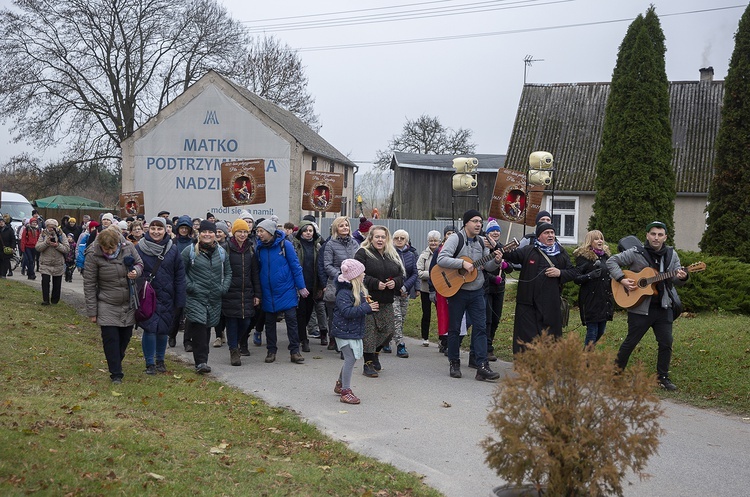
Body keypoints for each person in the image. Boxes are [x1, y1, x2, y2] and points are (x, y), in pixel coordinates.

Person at [606, 221, 688, 391]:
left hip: (663, 307)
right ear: (647, 235)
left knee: (666, 342)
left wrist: (682, 277)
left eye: (660, 234)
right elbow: (611, 261)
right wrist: (622, 279)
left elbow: (676, 280)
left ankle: (662, 377)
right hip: (640, 308)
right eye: (653, 234)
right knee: (631, 342)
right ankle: (616, 374)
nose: (656, 238)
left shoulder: (672, 255)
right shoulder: (636, 253)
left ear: (665, 237)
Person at [437, 210, 503, 380]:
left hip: (477, 291)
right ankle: (454, 362)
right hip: (457, 291)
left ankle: (482, 366)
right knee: (455, 329)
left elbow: (486, 267)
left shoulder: (482, 241)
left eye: (480, 221)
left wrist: (495, 261)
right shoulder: (455, 239)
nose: (478, 224)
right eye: (474, 221)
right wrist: (462, 263)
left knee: (481, 328)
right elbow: (441, 259)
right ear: (466, 223)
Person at [502, 222, 578, 354]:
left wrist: (560, 273)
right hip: (528, 304)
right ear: (539, 237)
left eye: (552, 232)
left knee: (550, 337)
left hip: (550, 305)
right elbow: (511, 255)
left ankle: (548, 365)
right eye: (546, 233)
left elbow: (573, 272)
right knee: (527, 338)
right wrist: (495, 246)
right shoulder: (529, 250)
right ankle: (526, 365)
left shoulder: (560, 253)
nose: (550, 235)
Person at [83, 226, 143, 384]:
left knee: (125, 338)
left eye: (112, 248)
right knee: (111, 340)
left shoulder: (128, 247)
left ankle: (116, 360)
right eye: (105, 249)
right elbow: (89, 284)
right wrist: (92, 312)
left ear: (118, 243)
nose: (109, 252)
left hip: (128, 302)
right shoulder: (93, 254)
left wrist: (136, 271)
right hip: (106, 303)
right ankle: (116, 373)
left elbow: (140, 264)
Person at [135, 217, 186, 375]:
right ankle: (150, 363)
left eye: (159, 228)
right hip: (147, 295)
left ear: (165, 230)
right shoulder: (139, 248)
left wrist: (180, 299)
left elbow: (179, 275)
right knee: (150, 329)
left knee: (163, 329)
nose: (156, 232)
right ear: (148, 230)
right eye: (153, 228)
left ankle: (161, 360)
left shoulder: (172, 249)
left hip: (167, 295)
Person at [255, 218, 309, 364]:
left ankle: (294, 351)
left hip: (286, 290)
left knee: (292, 322)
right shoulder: (259, 248)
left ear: (270, 232)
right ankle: (271, 351)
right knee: (270, 323)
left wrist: (301, 286)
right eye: (258, 231)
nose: (258, 234)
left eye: (261, 231)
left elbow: (295, 267)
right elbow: (257, 270)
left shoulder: (286, 245)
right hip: (268, 292)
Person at [354, 225, 404, 377]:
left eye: (383, 237)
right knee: (370, 332)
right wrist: (375, 283)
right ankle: (368, 363)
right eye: (377, 237)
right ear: (371, 238)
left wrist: (395, 282)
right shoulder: (363, 253)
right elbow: (357, 275)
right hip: (368, 299)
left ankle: (375, 353)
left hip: (387, 300)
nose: (380, 240)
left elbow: (401, 275)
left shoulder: (391, 254)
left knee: (388, 331)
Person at [181, 220, 231, 373]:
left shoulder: (222, 253)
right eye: (204, 232)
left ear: (215, 235)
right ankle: (201, 362)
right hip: (196, 296)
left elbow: (228, 272)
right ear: (199, 233)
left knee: (207, 326)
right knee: (199, 327)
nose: (207, 235)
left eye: (210, 232)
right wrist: (192, 287)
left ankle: (203, 360)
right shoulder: (189, 252)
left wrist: (223, 288)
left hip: (214, 296)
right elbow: (180, 273)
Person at [331, 258, 379, 404]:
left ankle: (340, 384)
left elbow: (360, 309)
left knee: (351, 358)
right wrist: (365, 308)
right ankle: (346, 391)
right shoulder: (344, 293)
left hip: (353, 330)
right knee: (350, 358)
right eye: (361, 273)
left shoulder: (358, 291)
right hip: (343, 331)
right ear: (354, 276)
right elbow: (347, 311)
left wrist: (370, 308)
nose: (364, 275)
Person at [222, 218, 261, 366]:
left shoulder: (251, 249)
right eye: (240, 232)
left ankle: (237, 342)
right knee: (232, 321)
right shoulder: (226, 248)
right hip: (230, 291)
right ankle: (234, 350)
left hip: (247, 291)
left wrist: (258, 294)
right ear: (234, 232)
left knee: (246, 321)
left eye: (245, 232)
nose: (243, 235)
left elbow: (255, 273)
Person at [322, 216, 360, 350]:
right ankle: (333, 337)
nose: (345, 227)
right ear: (336, 228)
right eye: (341, 225)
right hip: (337, 282)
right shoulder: (330, 244)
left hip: (354, 282)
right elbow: (327, 265)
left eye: (347, 225)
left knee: (351, 311)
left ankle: (349, 338)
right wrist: (340, 275)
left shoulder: (354, 243)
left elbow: (359, 261)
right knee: (334, 312)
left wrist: (355, 275)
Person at [573, 230, 614, 347]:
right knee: (592, 332)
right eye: (596, 239)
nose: (600, 241)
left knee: (601, 331)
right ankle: (586, 361)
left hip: (604, 298)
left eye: (601, 238)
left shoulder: (606, 257)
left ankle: (588, 356)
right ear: (590, 242)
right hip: (590, 299)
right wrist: (590, 275)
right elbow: (576, 278)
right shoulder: (584, 258)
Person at [482, 220, 513, 362]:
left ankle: (490, 342)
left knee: (496, 318)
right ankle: (487, 348)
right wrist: (493, 278)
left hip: (499, 289)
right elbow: (479, 269)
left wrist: (505, 264)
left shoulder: (503, 248)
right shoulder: (484, 248)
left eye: (497, 230)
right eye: (492, 231)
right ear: (487, 234)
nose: (495, 233)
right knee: (487, 319)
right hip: (486, 288)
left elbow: (511, 268)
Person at [293, 219, 322, 353]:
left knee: (309, 312)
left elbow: (320, 267)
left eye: (310, 231)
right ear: (301, 232)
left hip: (312, 284)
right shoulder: (295, 245)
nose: (308, 233)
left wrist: (320, 286)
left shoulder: (317, 246)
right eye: (305, 230)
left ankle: (299, 334)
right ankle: (304, 340)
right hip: (299, 284)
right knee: (301, 312)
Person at [391, 229, 418, 358]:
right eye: (397, 238)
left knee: (402, 318)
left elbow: (414, 273)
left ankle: (387, 339)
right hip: (392, 292)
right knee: (396, 317)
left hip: (405, 292)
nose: (399, 240)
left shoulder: (411, 255)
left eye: (402, 238)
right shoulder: (389, 254)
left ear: (406, 240)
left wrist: (406, 287)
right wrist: (398, 287)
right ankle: (400, 345)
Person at [35, 219, 70, 305]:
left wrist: (57, 245)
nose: (51, 229)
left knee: (57, 284)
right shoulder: (43, 235)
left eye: (53, 227)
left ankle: (55, 300)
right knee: (45, 281)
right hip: (46, 262)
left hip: (58, 262)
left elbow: (67, 249)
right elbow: (38, 248)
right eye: (49, 227)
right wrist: (46, 243)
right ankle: (45, 300)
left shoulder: (61, 235)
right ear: (46, 227)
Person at [417, 230, 442, 346]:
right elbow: (419, 272)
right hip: (425, 289)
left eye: (435, 241)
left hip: (440, 289)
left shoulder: (443, 253)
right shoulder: (423, 255)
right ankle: (425, 337)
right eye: (431, 241)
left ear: (439, 241)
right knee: (426, 314)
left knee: (441, 314)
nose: (433, 243)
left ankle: (442, 338)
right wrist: (433, 274)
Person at [0, 214, 17, 278]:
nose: (1, 223)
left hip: (7, 248)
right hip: (0, 249)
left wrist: (12, 247)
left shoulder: (9, 230)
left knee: (6, 261)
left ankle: (4, 274)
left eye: (2, 222)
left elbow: (13, 239)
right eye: (0, 222)